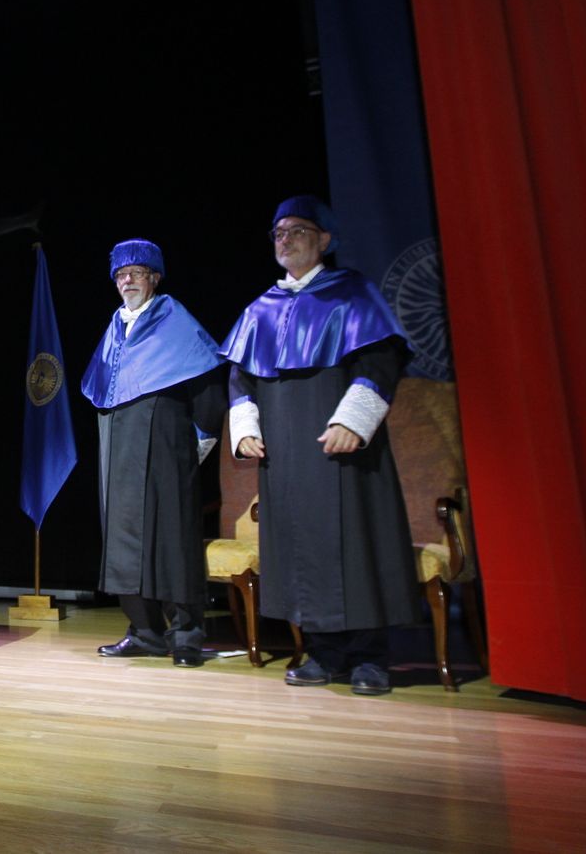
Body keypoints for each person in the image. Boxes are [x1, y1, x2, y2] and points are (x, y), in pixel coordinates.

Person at [220, 195, 424, 695]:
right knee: (299, 548)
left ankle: (369, 657)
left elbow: (379, 363)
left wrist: (354, 419)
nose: (285, 239)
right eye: (278, 232)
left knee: (357, 543)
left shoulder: (352, 294)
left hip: (342, 446)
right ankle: (320, 651)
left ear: (325, 240)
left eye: (297, 231)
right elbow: (240, 378)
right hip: (286, 456)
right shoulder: (259, 309)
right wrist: (245, 427)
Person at [81, 239, 227, 667]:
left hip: (167, 450)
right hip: (120, 452)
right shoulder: (114, 328)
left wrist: (193, 447)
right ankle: (144, 631)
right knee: (124, 542)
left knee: (173, 541)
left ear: (155, 278)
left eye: (137, 273)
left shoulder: (174, 321)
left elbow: (209, 393)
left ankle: (186, 635)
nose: (127, 280)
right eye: (121, 275)